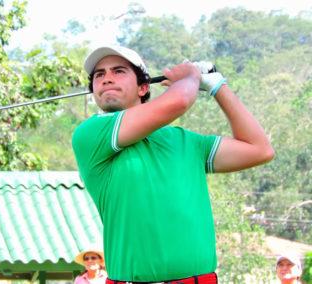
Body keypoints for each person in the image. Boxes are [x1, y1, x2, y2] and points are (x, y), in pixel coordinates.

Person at [72, 45, 275, 283]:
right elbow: (179, 101)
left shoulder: (186, 141)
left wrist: (218, 86)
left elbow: (260, 149)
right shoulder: (91, 133)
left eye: (118, 71)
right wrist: (190, 77)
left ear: (143, 87)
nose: (107, 79)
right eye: (99, 75)